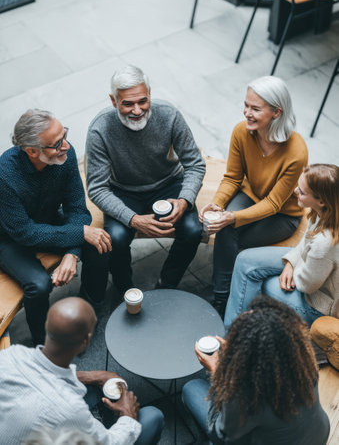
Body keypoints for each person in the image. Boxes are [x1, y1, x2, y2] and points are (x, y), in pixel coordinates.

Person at [86, 64, 205, 294]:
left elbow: (194, 163)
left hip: (168, 184)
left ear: (150, 94)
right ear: (113, 101)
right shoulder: (99, 129)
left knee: (192, 230)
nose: (137, 110)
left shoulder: (169, 115)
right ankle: (125, 290)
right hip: (123, 190)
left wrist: (184, 200)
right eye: (127, 103)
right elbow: (97, 189)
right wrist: (133, 219)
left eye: (142, 101)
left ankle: (167, 284)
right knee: (117, 239)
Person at [0, 109, 112, 345]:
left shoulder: (64, 156)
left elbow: (77, 210)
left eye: (65, 135)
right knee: (39, 285)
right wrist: (79, 234)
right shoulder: (4, 175)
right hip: (9, 238)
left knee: (100, 242)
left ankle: (91, 309)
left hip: (49, 219)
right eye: (57, 143)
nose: (67, 146)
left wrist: (73, 252)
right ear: (32, 151)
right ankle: (45, 343)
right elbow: (25, 233)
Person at [200, 75, 308, 316]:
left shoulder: (296, 152)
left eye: (255, 108)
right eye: (246, 105)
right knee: (226, 228)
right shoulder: (241, 131)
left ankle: (221, 298)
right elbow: (233, 178)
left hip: (283, 214)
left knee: (229, 233)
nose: (247, 113)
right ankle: (222, 294)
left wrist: (232, 218)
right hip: (251, 194)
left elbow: (273, 203)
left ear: (276, 112)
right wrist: (217, 204)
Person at [0, 297, 164, 445]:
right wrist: (128, 415)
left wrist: (93, 376)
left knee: (93, 390)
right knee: (152, 417)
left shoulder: (11, 355)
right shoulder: (70, 411)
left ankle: (101, 421)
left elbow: (44, 375)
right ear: (85, 342)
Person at [182, 296, 330, 444]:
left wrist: (216, 371)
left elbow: (223, 433)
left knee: (191, 388)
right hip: (317, 436)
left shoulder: (246, 397)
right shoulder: (303, 360)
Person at [224, 164, 339, 329]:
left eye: (302, 191)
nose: (295, 191)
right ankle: (236, 328)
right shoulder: (325, 212)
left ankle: (234, 336)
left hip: (317, 304)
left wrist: (293, 267)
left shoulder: (325, 243)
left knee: (261, 283)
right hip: (309, 266)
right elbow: (306, 242)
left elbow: (306, 285)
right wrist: (291, 262)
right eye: (298, 186)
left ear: (321, 200)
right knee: (244, 260)